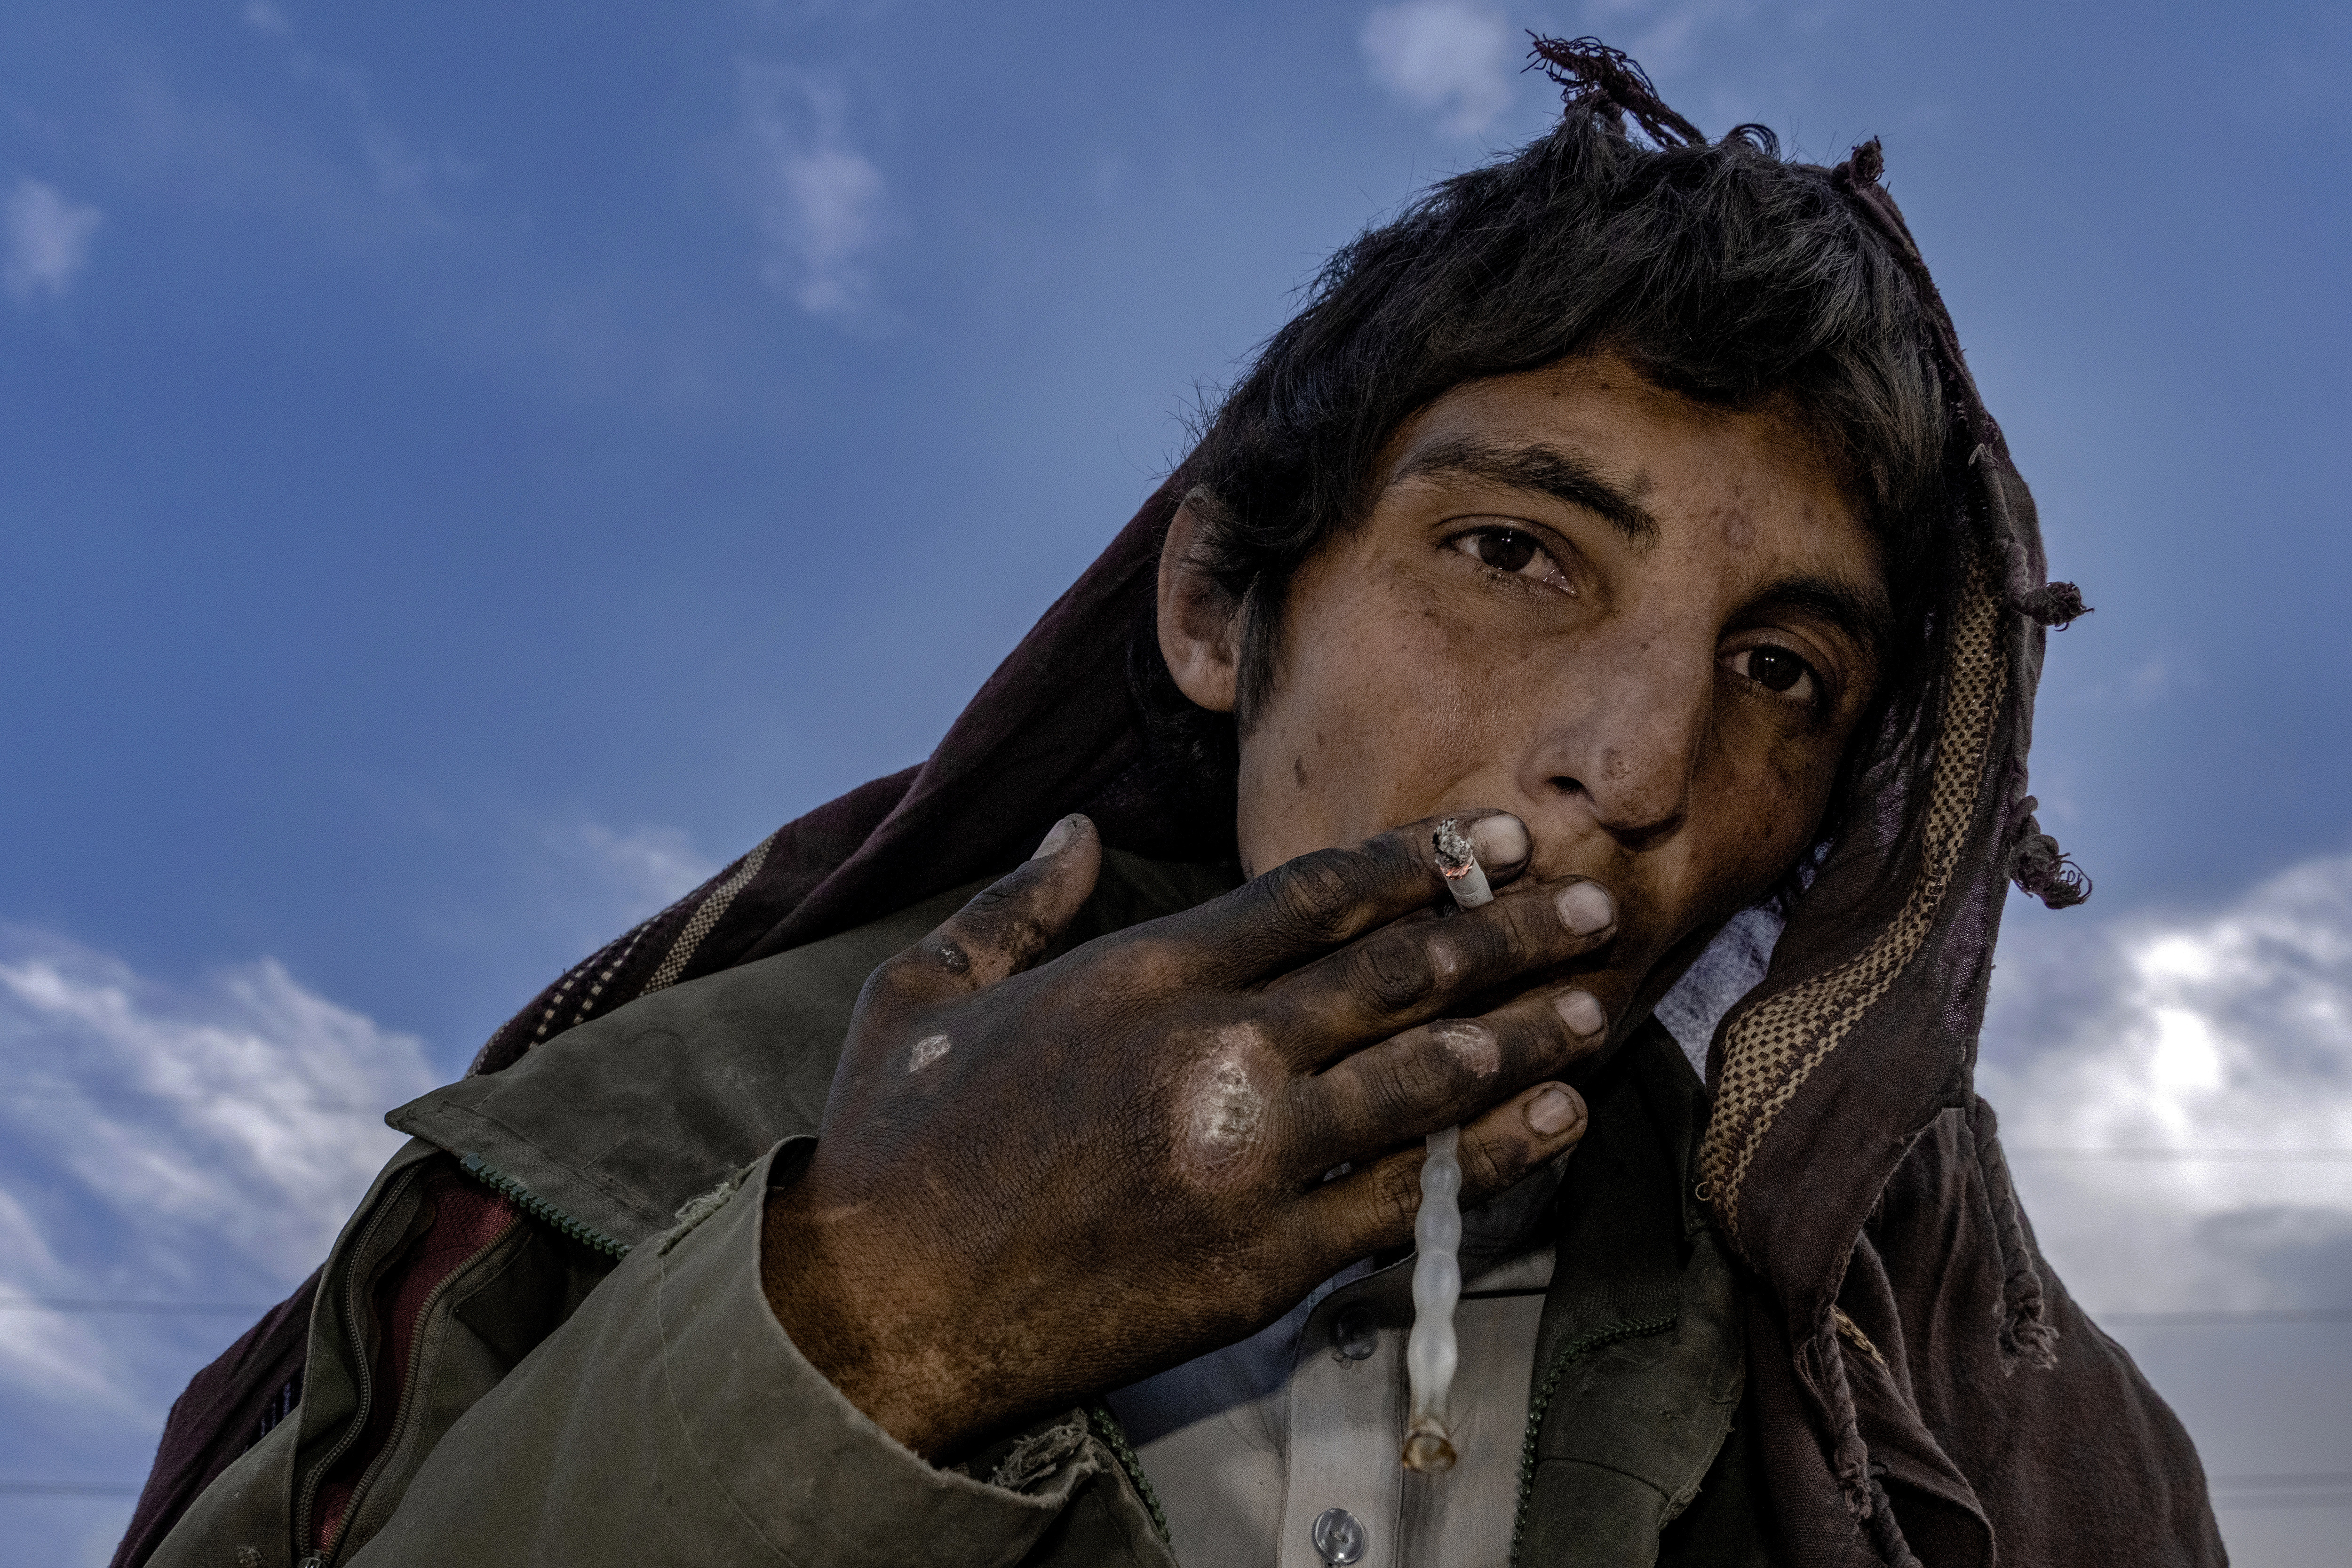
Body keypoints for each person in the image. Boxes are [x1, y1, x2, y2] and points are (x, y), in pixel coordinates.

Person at [121, 38, 2219, 1568]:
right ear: (1221, 605)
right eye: (1510, 552)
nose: (1629, 764)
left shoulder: (1957, 1423)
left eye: (1775, 673)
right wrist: (884, 1316)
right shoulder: (624, 1165)